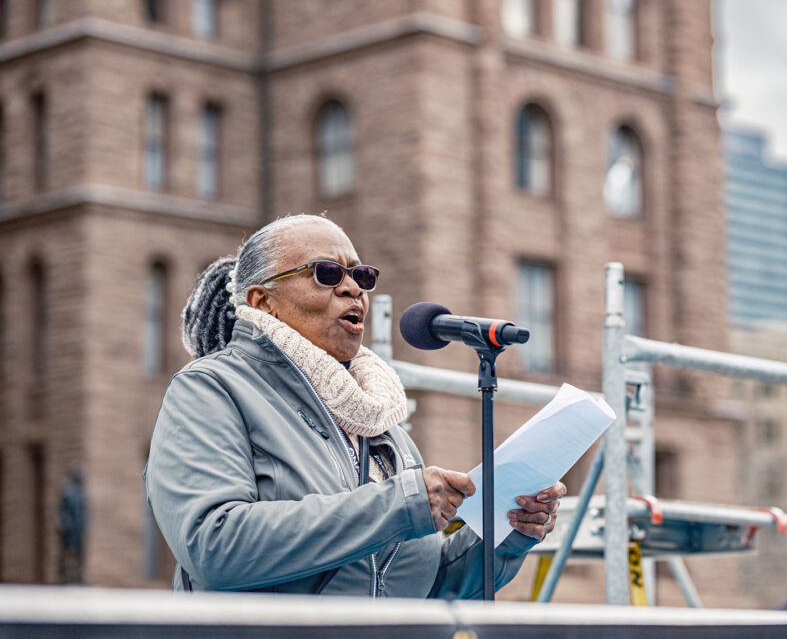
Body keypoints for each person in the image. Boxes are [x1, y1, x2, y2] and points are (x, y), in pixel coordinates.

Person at [144, 214, 566, 597]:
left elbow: (424, 589)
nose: (352, 288)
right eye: (325, 273)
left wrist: (507, 532)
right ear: (261, 302)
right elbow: (214, 547)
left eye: (361, 276)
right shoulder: (210, 389)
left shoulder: (375, 416)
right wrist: (401, 504)